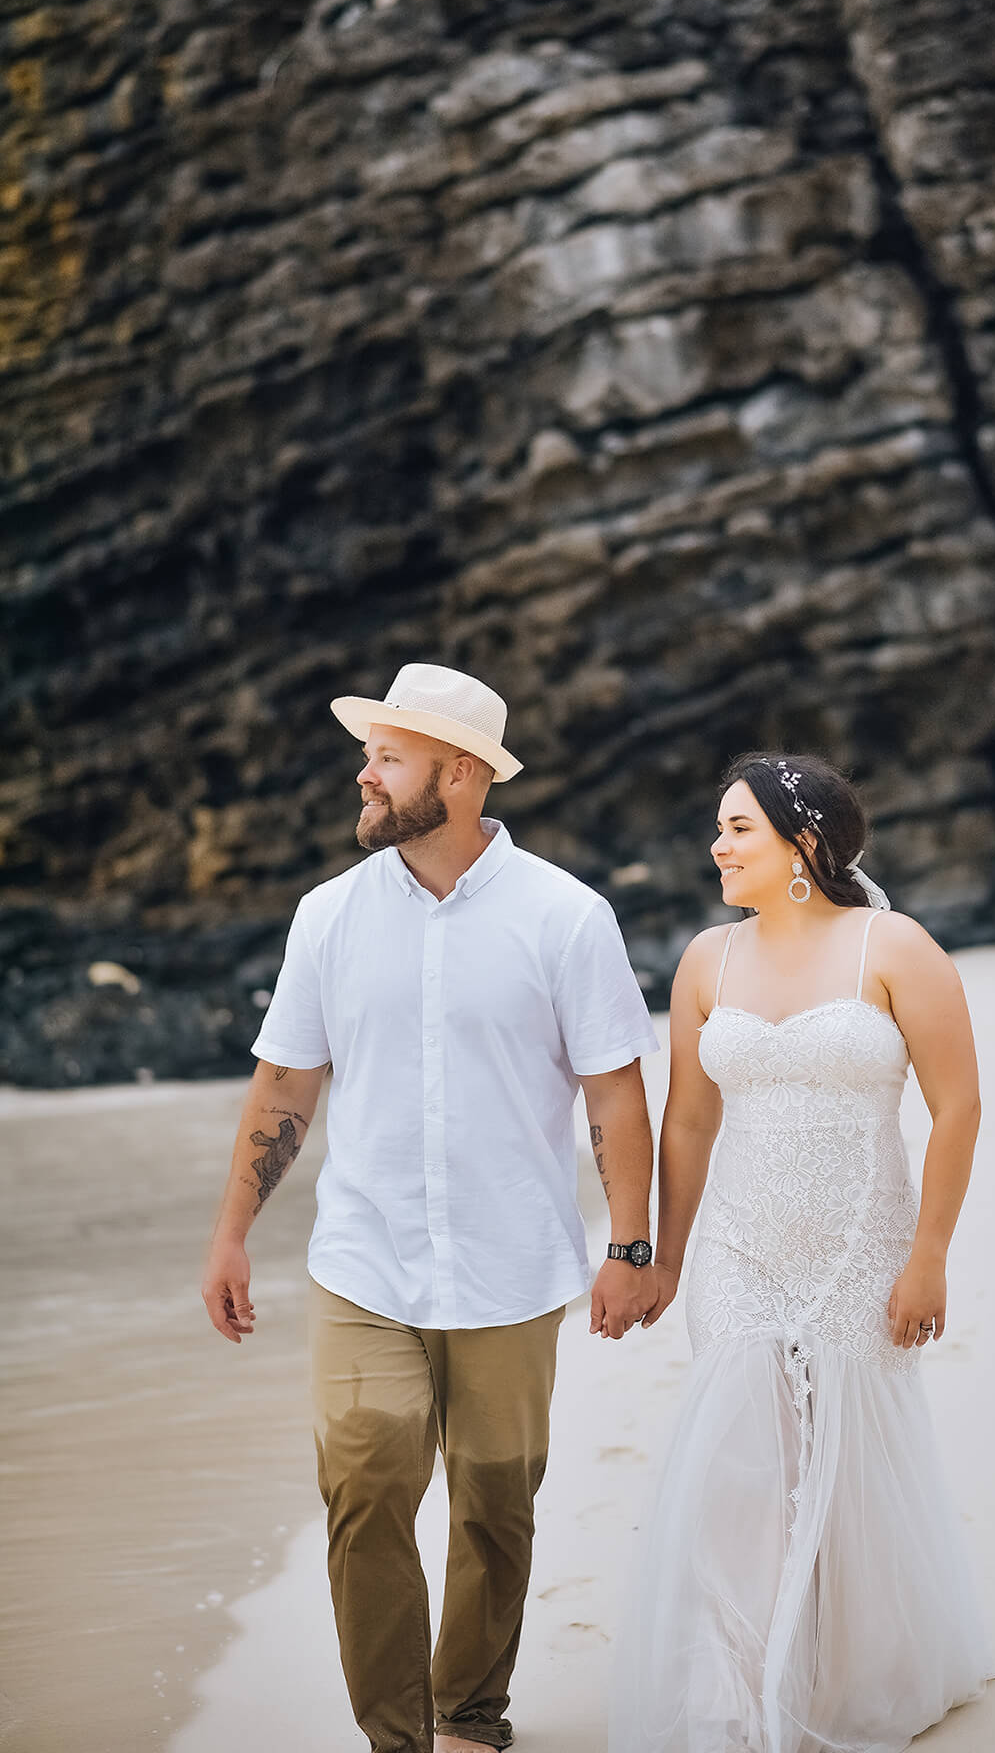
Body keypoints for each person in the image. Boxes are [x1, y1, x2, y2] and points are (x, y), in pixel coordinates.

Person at [202, 661, 660, 1753]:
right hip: (365, 1259)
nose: (363, 774)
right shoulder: (326, 916)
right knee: (364, 1486)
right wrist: (230, 1232)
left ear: (456, 774)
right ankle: (397, 1738)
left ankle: (469, 1713)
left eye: (387, 757)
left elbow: (614, 1088)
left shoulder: (565, 915)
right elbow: (284, 1083)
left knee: (495, 1508)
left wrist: (631, 1243)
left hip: (515, 1264)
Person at [610, 751, 989, 1753]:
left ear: (802, 843)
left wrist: (927, 1259)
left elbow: (957, 1109)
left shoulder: (893, 946)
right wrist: (669, 1258)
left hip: (860, 1245)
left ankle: (841, 1674)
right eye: (718, 827)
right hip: (738, 1245)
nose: (716, 845)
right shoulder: (705, 959)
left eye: (737, 827)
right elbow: (685, 1124)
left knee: (845, 1463)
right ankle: (735, 1695)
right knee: (740, 1465)